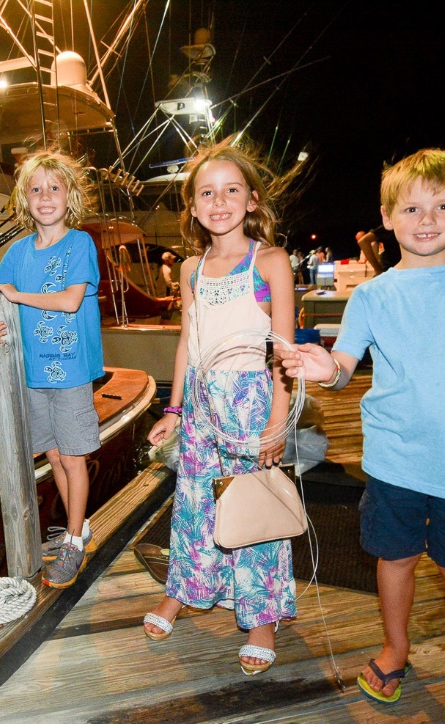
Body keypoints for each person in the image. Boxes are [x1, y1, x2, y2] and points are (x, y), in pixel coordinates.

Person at [280, 149, 445, 724]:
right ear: (387, 216)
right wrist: (324, 367)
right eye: (413, 207)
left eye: (443, 205)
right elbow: (345, 366)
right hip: (394, 464)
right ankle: (396, 648)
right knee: (392, 559)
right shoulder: (372, 295)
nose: (427, 219)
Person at [143, 136, 297, 676]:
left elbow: (284, 351)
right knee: (192, 504)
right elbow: (189, 340)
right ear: (192, 207)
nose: (219, 200)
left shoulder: (271, 261)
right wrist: (174, 409)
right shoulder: (190, 268)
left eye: (232, 189)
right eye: (206, 192)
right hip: (204, 406)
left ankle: (262, 617)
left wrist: (277, 421)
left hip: (252, 401)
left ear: (252, 199)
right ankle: (185, 591)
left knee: (254, 509)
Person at [0, 150, 104, 590]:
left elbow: (68, 300)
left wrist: (19, 297)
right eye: (36, 189)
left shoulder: (79, 243)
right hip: (34, 373)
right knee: (51, 453)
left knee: (73, 454)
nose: (45, 196)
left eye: (54, 188)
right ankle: (78, 530)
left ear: (70, 195)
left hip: (71, 370)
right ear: (24, 199)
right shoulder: (18, 251)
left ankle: (72, 539)